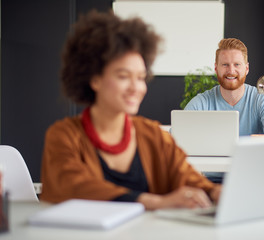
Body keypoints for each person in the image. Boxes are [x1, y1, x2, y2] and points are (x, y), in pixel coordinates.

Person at [40, 10, 221, 210]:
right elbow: (72, 187)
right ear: (94, 79)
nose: (136, 88)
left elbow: (185, 176)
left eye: (141, 77)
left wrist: (214, 192)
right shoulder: (63, 136)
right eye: (124, 76)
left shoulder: (153, 135)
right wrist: (154, 202)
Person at [185, 38, 264, 183]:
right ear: (216, 68)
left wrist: (256, 141)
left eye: (237, 65)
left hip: (253, 180)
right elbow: (175, 139)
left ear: (246, 68)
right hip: (212, 183)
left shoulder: (261, 99)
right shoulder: (202, 102)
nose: (231, 71)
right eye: (225, 65)